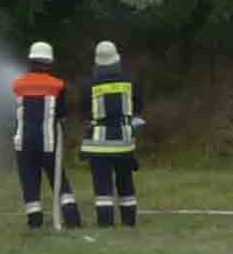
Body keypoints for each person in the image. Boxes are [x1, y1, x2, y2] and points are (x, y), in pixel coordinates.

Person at [10, 40, 74, 231]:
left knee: (29, 181)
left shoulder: (17, 84)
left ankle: (35, 220)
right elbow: (62, 114)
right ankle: (71, 217)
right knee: (58, 179)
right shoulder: (59, 85)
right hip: (49, 142)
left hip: (24, 143)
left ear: (30, 61)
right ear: (49, 62)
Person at [82, 40, 141, 228]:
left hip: (99, 145)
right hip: (123, 142)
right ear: (117, 60)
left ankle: (105, 223)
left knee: (102, 187)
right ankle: (129, 221)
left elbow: (85, 112)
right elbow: (139, 106)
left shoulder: (88, 85)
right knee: (126, 184)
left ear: (97, 63)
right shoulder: (130, 82)